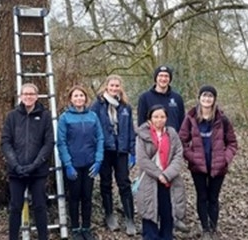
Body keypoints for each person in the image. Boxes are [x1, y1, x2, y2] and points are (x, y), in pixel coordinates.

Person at [178, 85, 238, 240]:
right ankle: (205, 229)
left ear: (214, 99)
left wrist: (225, 159)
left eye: (210, 96)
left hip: (218, 166)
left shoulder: (222, 119)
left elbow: (232, 143)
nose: (207, 99)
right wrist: (192, 157)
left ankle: (213, 228)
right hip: (198, 166)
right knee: (202, 196)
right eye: (204, 96)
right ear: (199, 98)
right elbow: (181, 141)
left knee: (213, 197)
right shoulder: (190, 118)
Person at [137, 64, 188, 232]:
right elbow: (140, 124)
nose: (163, 79)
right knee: (150, 195)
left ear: (169, 79)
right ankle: (150, 231)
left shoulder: (177, 98)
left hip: (171, 149)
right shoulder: (145, 97)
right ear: (156, 78)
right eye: (160, 76)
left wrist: (177, 145)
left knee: (172, 193)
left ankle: (174, 221)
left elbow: (182, 123)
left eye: (166, 76)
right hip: (152, 150)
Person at [1, 83, 55, 240]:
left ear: (37, 96)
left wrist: (35, 165)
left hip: (38, 171)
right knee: (15, 207)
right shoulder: (12, 116)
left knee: (40, 206)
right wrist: (15, 165)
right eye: (25, 94)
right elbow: (6, 141)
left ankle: (43, 237)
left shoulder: (45, 116)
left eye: (31, 94)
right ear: (20, 96)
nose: (28, 97)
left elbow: (48, 143)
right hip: (16, 171)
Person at [90, 75, 137, 236]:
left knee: (124, 183)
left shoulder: (125, 107)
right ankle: (109, 215)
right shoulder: (97, 105)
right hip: (104, 149)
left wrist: (133, 151)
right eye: (112, 85)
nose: (114, 88)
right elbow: (92, 127)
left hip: (121, 150)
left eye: (117, 85)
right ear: (106, 86)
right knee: (105, 183)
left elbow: (131, 129)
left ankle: (130, 218)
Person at [57, 85, 104, 240]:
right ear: (71, 99)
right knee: (74, 197)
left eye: (81, 96)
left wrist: (98, 160)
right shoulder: (65, 118)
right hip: (73, 165)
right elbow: (61, 142)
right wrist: (68, 164)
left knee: (87, 197)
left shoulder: (93, 116)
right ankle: (75, 228)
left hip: (90, 164)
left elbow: (100, 138)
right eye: (75, 96)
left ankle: (86, 227)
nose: (79, 98)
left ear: (85, 98)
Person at [135, 104, 184, 240]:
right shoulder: (142, 135)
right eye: (156, 116)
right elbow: (142, 159)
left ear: (166, 118)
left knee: (167, 211)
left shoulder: (172, 134)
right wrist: (159, 174)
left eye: (162, 117)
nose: (159, 120)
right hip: (149, 178)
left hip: (169, 179)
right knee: (150, 210)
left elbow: (178, 155)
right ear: (150, 119)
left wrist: (167, 174)